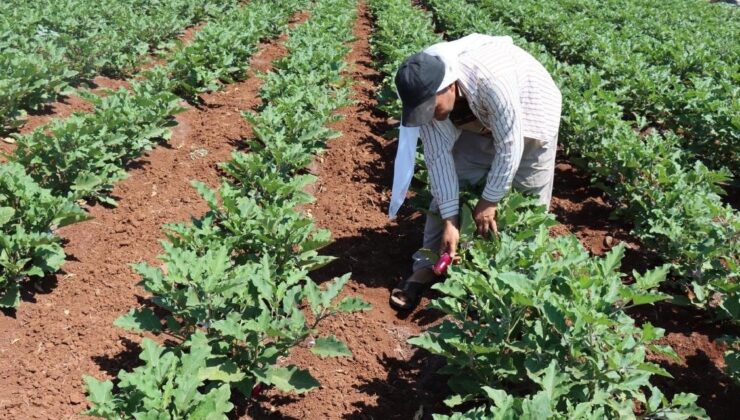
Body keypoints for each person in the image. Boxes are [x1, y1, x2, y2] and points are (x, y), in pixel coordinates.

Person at [388, 34, 562, 311]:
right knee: (457, 178)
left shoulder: (490, 81)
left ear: (447, 86)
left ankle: (521, 287)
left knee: (528, 200)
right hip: (475, 118)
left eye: (430, 108)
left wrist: (490, 200)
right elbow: (438, 162)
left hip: (531, 114)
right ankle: (427, 266)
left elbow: (510, 144)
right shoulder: (430, 103)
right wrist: (450, 220)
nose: (428, 116)